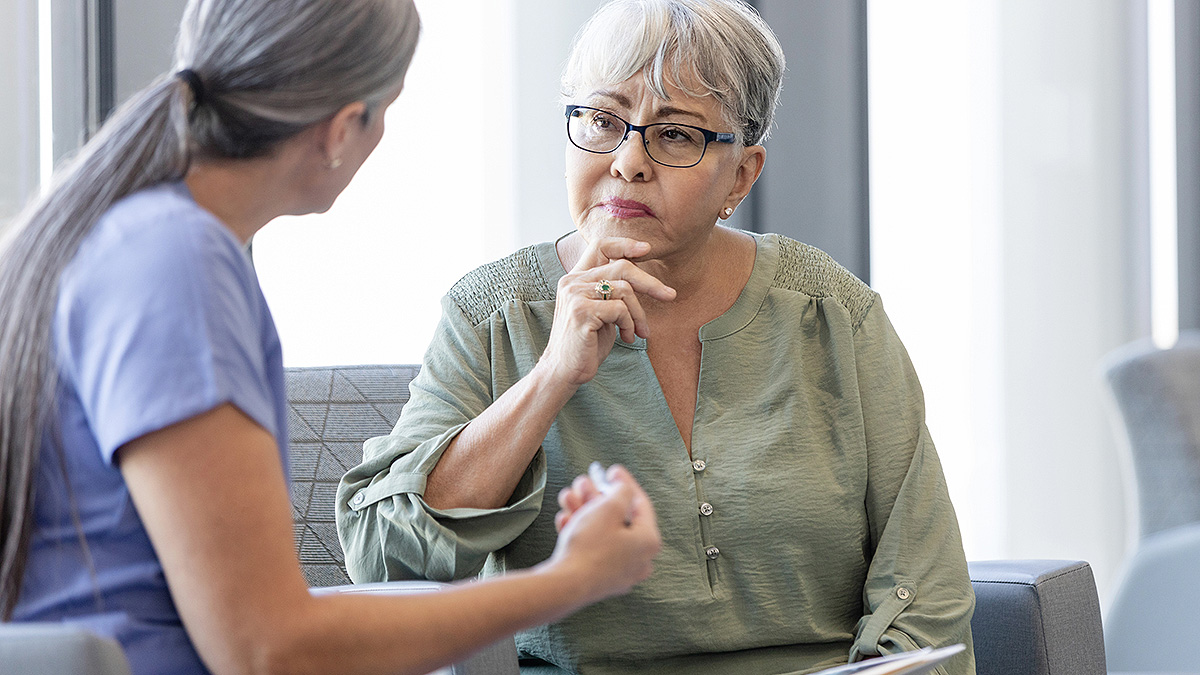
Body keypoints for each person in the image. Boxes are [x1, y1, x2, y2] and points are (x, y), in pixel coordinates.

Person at [0, 1, 663, 673]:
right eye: (387, 112)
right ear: (344, 127)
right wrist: (572, 579)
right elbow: (270, 646)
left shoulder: (128, 236)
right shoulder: (179, 265)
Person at [336, 0, 976, 674]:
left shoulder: (834, 313)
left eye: (675, 135)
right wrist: (555, 371)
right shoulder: (490, 314)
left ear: (742, 173)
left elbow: (926, 587)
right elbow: (385, 559)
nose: (628, 161)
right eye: (603, 122)